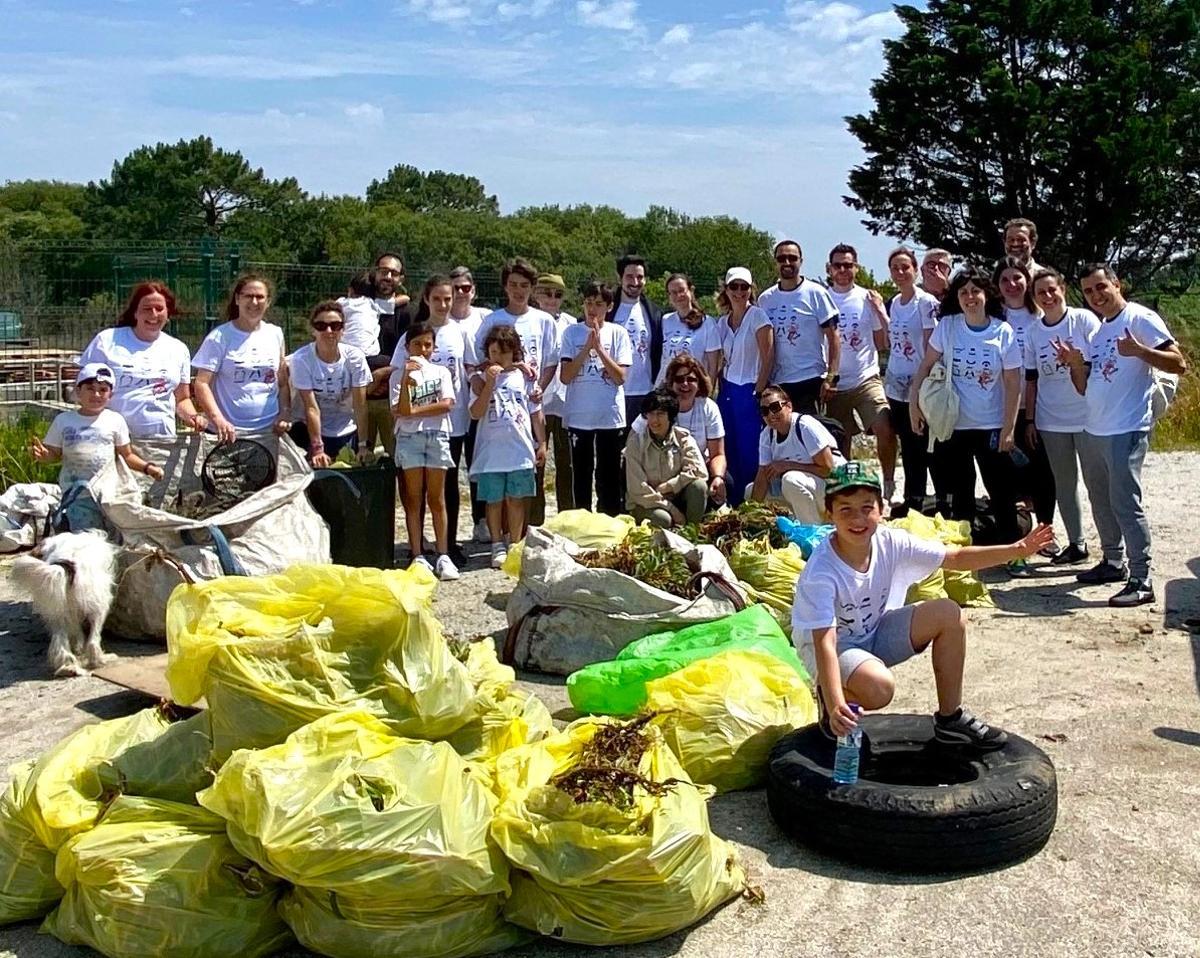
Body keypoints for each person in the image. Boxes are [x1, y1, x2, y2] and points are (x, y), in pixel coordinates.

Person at [792, 461, 1056, 749]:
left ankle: (950, 719)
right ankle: (831, 710)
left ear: (881, 510)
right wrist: (835, 703)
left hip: (874, 632)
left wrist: (1017, 550)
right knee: (880, 688)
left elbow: (954, 558)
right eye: (846, 510)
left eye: (867, 507)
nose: (858, 519)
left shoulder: (890, 541)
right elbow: (825, 644)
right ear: (829, 514)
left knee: (949, 614)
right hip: (833, 650)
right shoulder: (822, 571)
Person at [1056, 263, 1187, 607]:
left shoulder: (1140, 318)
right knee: (1101, 501)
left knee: (1126, 503)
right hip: (1095, 428)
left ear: (1117, 284)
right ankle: (1113, 562)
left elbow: (1178, 363)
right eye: (1088, 291)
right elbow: (1086, 387)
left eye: (1102, 287)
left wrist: (1142, 352)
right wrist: (1075, 364)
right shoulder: (1099, 333)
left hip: (1126, 428)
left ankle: (1141, 579)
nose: (1096, 295)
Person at [910, 266, 1025, 572]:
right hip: (954, 424)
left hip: (991, 425)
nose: (970, 297)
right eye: (963, 292)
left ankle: (1013, 552)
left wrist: (1008, 428)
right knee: (960, 493)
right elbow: (924, 367)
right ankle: (965, 557)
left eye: (975, 291)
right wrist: (913, 406)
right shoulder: (947, 326)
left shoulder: (1003, 331)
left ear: (987, 294)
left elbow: (1014, 383)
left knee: (1001, 491)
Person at [474, 257, 559, 528]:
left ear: (532, 288)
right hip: (498, 404)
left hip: (530, 402)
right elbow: (480, 359)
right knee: (498, 482)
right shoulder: (492, 319)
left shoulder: (544, 320)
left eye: (524, 285)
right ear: (505, 287)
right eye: (513, 285)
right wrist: (507, 371)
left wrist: (538, 390)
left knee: (531, 471)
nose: (518, 290)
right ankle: (499, 534)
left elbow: (551, 361)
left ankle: (528, 532)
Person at [1025, 268, 1101, 566]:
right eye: (1041, 292)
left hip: (1088, 416)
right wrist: (1030, 420)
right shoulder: (1033, 331)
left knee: (1097, 484)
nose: (1048, 296)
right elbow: (1031, 379)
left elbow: (1102, 360)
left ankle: (1113, 549)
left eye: (1052, 290)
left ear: (1063, 289)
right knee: (1064, 484)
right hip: (1050, 419)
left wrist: (1076, 362)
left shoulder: (1082, 320)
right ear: (1035, 298)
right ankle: (1076, 543)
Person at [32, 363, 165, 532]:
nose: (96, 394)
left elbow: (126, 455)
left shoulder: (115, 420)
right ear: (78, 391)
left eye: (103, 390)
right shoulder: (64, 421)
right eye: (90, 388)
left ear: (111, 395)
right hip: (77, 496)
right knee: (87, 539)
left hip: (110, 495)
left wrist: (148, 468)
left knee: (115, 537)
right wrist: (45, 456)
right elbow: (55, 454)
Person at [401, 275, 473, 565]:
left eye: (448, 298)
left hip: (452, 421)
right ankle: (417, 549)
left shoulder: (460, 332)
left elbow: (471, 368)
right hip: (416, 426)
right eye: (437, 299)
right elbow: (398, 371)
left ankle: (449, 545)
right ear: (427, 300)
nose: (443, 304)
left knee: (448, 487)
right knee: (415, 491)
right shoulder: (415, 333)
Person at [79, 281, 205, 438]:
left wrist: (194, 418)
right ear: (135, 313)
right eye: (146, 309)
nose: (153, 314)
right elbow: (83, 391)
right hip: (111, 440)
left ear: (168, 313)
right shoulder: (106, 340)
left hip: (161, 442)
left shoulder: (178, 349)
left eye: (159, 309)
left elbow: (182, 399)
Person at [995, 256, 1058, 559]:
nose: (1011, 284)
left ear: (1027, 282)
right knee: (1006, 475)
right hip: (999, 407)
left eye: (1017, 278)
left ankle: (1046, 533)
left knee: (1042, 473)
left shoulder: (1040, 316)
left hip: (1036, 407)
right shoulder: (993, 315)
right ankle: (1016, 539)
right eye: (1005, 279)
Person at [825, 244, 898, 501]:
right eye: (838, 265)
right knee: (840, 440)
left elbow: (882, 342)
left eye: (848, 265)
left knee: (884, 426)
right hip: (834, 381)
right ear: (829, 269)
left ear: (856, 267)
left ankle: (888, 481)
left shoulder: (867, 297)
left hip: (866, 376)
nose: (843, 270)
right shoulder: (822, 297)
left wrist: (880, 311)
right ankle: (847, 491)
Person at [469, 325, 546, 569]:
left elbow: (535, 413)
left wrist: (542, 442)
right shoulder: (480, 381)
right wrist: (489, 383)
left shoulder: (525, 377)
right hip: (491, 452)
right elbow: (475, 412)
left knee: (516, 499)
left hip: (520, 450)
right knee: (493, 500)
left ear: (514, 352)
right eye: (493, 352)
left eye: (504, 352)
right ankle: (496, 544)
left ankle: (515, 543)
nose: (499, 357)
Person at [391, 321, 458, 581]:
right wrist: (408, 382)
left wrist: (415, 412)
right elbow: (398, 409)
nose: (422, 349)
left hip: (437, 435)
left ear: (433, 347)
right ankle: (417, 554)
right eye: (417, 344)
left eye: (427, 344)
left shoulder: (441, 372)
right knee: (413, 498)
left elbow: (447, 404)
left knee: (437, 499)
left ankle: (443, 554)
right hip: (409, 438)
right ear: (407, 347)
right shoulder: (399, 375)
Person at [560, 281, 632, 516]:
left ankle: (608, 521)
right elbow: (566, 376)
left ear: (609, 307)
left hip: (609, 416)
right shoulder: (572, 332)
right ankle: (582, 522)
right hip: (580, 416)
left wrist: (600, 349)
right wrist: (586, 349)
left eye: (599, 304)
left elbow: (621, 377)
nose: (592, 309)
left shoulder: (618, 333)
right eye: (588, 303)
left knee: (608, 475)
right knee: (581, 474)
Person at [193, 273, 290, 442]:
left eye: (259, 297)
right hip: (228, 435)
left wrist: (285, 413)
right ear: (237, 299)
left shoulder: (275, 334)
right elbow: (201, 384)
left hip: (269, 433)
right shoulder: (219, 337)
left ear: (268, 302)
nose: (254, 302)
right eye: (248, 296)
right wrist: (218, 420)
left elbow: (282, 382)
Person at [882, 247, 939, 513]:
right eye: (895, 268)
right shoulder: (895, 302)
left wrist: (920, 384)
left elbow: (930, 347)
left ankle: (935, 500)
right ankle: (913, 499)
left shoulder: (926, 303)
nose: (901, 273)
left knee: (925, 444)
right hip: (896, 385)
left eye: (906, 267)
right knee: (908, 444)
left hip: (920, 384)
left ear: (915, 270)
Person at [633, 354, 729, 507]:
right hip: (660, 473)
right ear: (671, 383)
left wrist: (718, 477)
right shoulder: (658, 404)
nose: (685, 384)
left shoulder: (708, 407)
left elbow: (717, 454)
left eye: (691, 380)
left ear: (700, 383)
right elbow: (633, 440)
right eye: (679, 379)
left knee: (722, 482)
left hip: (694, 470)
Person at [757, 240, 840, 416]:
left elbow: (833, 338)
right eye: (781, 258)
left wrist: (831, 377)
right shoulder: (765, 299)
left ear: (801, 261)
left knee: (809, 438)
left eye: (792, 258)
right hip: (777, 382)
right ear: (775, 262)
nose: (787, 263)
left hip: (809, 380)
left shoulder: (816, 293)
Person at [714, 266, 774, 505]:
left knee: (750, 449)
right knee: (729, 447)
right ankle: (732, 499)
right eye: (734, 287)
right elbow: (718, 359)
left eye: (744, 287)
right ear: (726, 290)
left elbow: (768, 357)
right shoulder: (721, 323)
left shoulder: (758, 317)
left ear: (751, 289)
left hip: (750, 389)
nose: (739, 292)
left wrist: (759, 392)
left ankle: (752, 500)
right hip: (728, 389)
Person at [288, 301, 372, 466]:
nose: (329, 331)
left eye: (335, 326)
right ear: (313, 330)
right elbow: (311, 407)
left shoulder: (355, 357)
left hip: (347, 428)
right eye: (321, 326)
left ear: (343, 329)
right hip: (310, 429)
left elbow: (360, 404)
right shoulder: (302, 359)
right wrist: (318, 447)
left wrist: (363, 445)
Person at [748, 385, 843, 524]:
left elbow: (829, 469)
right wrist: (749, 513)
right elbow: (763, 476)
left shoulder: (804, 426)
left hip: (836, 488)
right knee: (750, 491)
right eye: (764, 411)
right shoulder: (766, 435)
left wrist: (788, 465)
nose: (770, 415)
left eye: (775, 407)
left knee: (791, 480)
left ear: (789, 406)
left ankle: (813, 533)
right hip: (807, 486)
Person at [448, 265, 492, 544]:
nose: (461, 293)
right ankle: (448, 532)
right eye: (455, 288)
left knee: (479, 464)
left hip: (480, 403)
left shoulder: (485, 318)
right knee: (451, 468)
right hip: (451, 407)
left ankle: (482, 520)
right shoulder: (441, 321)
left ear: (473, 291)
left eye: (465, 288)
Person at [624, 388, 707, 529]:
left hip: (676, 497)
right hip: (646, 503)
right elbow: (638, 490)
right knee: (663, 519)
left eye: (660, 414)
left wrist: (671, 486)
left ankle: (692, 534)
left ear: (671, 416)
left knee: (699, 486)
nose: (654, 420)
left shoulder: (683, 438)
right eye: (650, 414)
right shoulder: (635, 444)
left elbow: (699, 471)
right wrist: (671, 509)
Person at [533, 272, 576, 514]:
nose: (552, 298)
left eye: (557, 294)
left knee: (566, 464)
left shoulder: (571, 322)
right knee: (536, 462)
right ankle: (534, 518)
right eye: (546, 293)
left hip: (566, 402)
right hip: (536, 402)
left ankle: (567, 515)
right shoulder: (531, 320)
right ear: (536, 294)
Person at [363, 252, 410, 459]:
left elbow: (412, 353)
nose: (388, 277)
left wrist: (383, 373)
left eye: (394, 273)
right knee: (358, 459)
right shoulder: (358, 306)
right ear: (374, 273)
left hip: (392, 397)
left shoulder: (408, 312)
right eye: (383, 271)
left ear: (401, 279)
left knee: (397, 459)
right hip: (359, 397)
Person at [608, 254, 664, 426]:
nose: (635, 282)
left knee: (642, 448)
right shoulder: (608, 309)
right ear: (620, 278)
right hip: (611, 391)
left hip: (645, 392)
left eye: (640, 277)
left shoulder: (654, 312)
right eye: (629, 276)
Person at [657, 273, 721, 387]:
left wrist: (707, 392)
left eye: (682, 290)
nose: (679, 295)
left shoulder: (708, 323)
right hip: (668, 387)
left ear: (691, 290)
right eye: (674, 292)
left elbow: (713, 365)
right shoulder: (665, 320)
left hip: (694, 388)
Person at [337, 271, 382, 359]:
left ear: (351, 289)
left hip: (344, 353)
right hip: (369, 354)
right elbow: (404, 299)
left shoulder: (342, 303)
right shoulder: (375, 305)